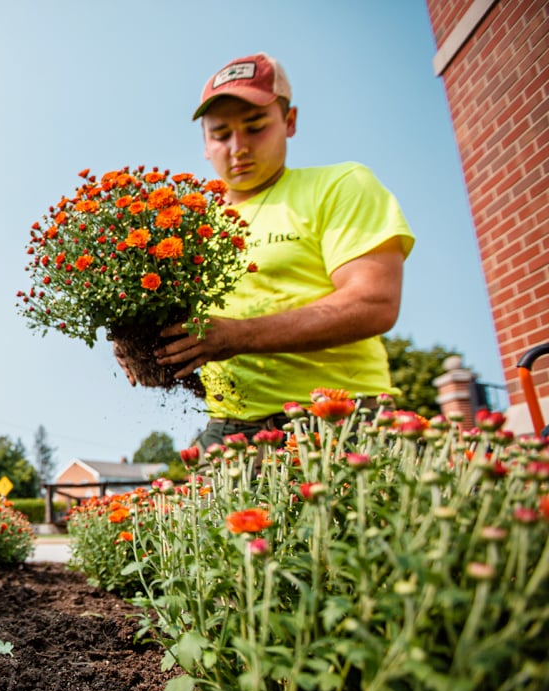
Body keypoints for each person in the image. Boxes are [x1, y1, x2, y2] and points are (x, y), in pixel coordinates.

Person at [116, 53, 415, 448]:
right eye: (220, 134)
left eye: (255, 127)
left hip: (338, 419)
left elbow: (373, 303)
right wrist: (140, 344)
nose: (237, 147)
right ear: (205, 143)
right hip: (228, 431)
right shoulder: (188, 227)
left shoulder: (340, 185)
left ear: (289, 122)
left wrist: (237, 336)